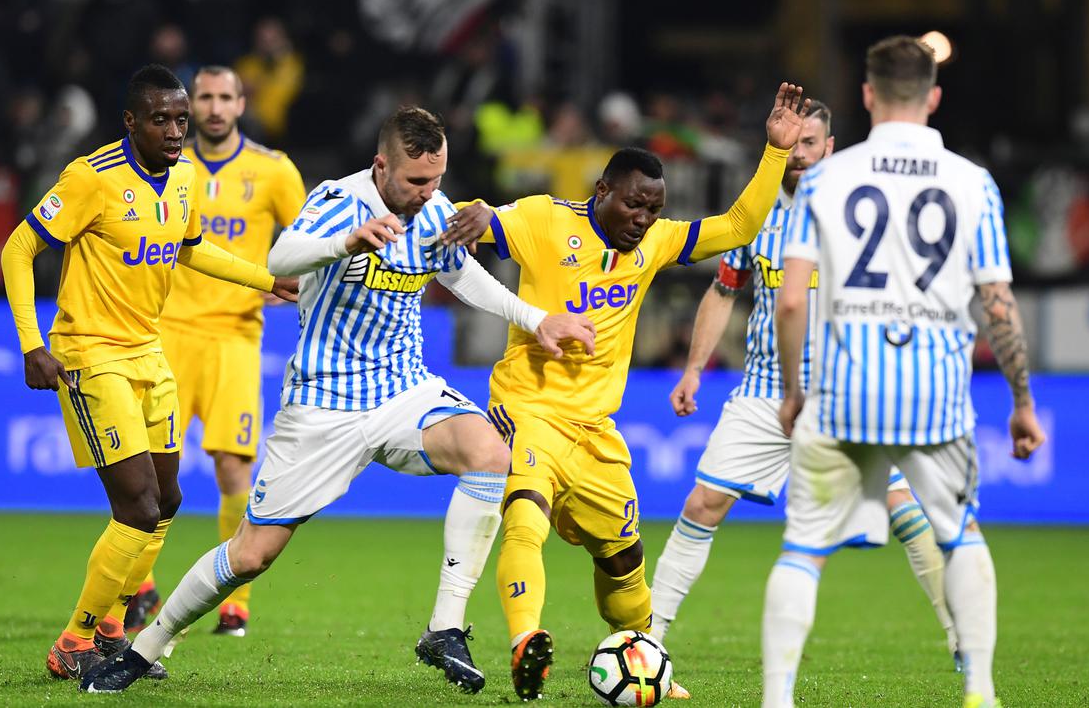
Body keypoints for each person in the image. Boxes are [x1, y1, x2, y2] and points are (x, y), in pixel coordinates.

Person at [80, 105, 596, 695]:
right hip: (323, 404)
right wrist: (345, 242)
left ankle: (445, 627)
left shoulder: (435, 211)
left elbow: (459, 275)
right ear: (381, 167)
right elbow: (281, 258)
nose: (429, 193)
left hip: (403, 390)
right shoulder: (338, 201)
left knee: (489, 454)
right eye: (417, 181)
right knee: (250, 556)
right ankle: (146, 648)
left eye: (437, 178)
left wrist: (536, 319)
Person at [443, 83, 811, 701]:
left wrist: (775, 151)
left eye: (653, 209)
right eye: (634, 205)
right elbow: (484, 220)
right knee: (525, 518)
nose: (643, 219)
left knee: (623, 565)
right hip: (528, 409)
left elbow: (739, 225)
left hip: (596, 433)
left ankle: (643, 660)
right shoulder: (546, 220)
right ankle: (525, 639)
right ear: (602, 191)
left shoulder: (655, 243)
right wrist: (477, 211)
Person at [762, 37, 1044, 708]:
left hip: (842, 390)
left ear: (866, 94)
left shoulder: (824, 180)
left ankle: (777, 699)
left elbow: (792, 300)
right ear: (933, 97)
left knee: (803, 548)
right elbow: (997, 304)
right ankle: (979, 689)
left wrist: (793, 391)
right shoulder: (972, 183)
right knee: (959, 532)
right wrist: (1022, 401)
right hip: (934, 395)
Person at [0, 64, 297, 681]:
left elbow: (193, 248)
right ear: (131, 122)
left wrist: (268, 280)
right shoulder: (91, 177)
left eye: (181, 119)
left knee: (167, 500)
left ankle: (112, 627)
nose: (175, 130)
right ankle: (75, 639)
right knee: (136, 505)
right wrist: (32, 344)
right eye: (161, 119)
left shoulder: (184, 177)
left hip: (148, 351)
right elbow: (18, 248)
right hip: (90, 354)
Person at [649, 101, 961, 668]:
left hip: (843, 389)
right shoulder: (756, 213)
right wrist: (694, 367)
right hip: (766, 388)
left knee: (906, 508)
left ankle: (959, 634)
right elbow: (724, 290)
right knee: (703, 502)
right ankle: (648, 639)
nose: (799, 155)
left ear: (830, 146)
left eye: (810, 143)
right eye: (791, 145)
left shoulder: (859, 211)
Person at [126, 65, 307, 638]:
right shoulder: (164, 165)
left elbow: (310, 238)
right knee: (150, 472)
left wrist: (290, 282)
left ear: (240, 103)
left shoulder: (273, 170)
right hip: (167, 332)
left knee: (234, 466)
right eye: (204, 96)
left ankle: (235, 601)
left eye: (224, 97)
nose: (213, 107)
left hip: (235, 336)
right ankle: (138, 587)